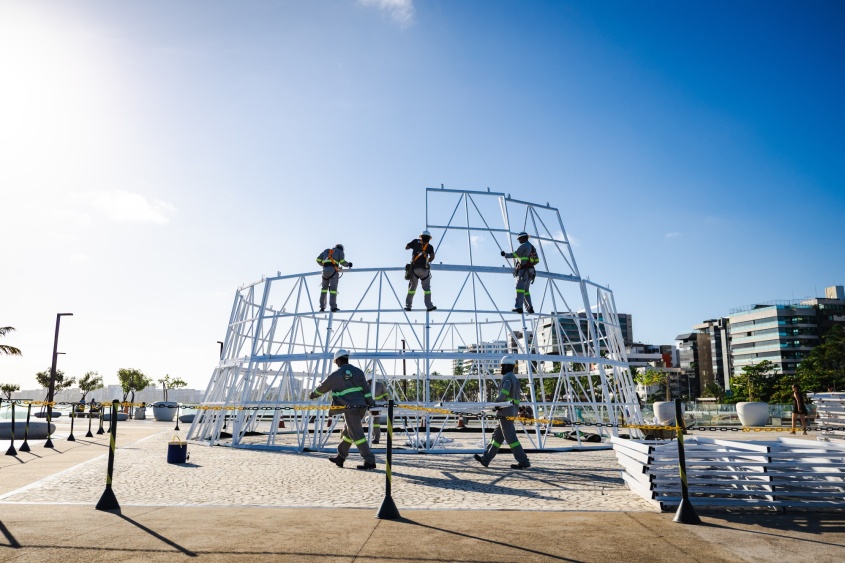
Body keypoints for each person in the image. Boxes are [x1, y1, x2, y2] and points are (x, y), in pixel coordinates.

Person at [309, 349, 377, 469]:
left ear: (339, 360)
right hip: (361, 407)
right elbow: (366, 391)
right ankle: (340, 457)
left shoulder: (336, 375)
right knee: (348, 432)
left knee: (357, 435)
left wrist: (313, 394)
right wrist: (371, 403)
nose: (336, 364)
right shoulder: (358, 372)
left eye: (336, 362)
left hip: (350, 408)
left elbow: (323, 387)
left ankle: (370, 460)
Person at [474, 356, 531, 469]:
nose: (501, 368)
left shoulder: (507, 378)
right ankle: (486, 459)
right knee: (497, 438)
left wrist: (496, 403)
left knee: (511, 439)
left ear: (505, 366)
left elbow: (504, 393)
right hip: (508, 411)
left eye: (501, 366)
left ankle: (524, 461)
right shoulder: (514, 378)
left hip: (506, 412)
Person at [501, 231, 539, 314]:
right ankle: (530, 308)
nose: (519, 241)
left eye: (520, 239)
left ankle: (519, 307)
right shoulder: (532, 247)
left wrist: (505, 255)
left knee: (520, 289)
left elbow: (515, 254)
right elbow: (537, 260)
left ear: (524, 238)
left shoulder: (524, 246)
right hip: (531, 272)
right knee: (526, 290)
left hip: (523, 271)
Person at [405, 230, 436, 311]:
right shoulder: (430, 247)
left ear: (421, 237)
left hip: (414, 270)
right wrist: (427, 260)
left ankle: (408, 306)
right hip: (424, 271)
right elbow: (432, 257)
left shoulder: (415, 241)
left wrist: (412, 246)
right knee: (427, 290)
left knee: (412, 289)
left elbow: (406, 247)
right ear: (429, 238)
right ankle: (429, 306)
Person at [316, 244, 352, 312]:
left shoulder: (326, 251)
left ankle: (322, 307)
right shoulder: (340, 252)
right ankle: (333, 307)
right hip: (333, 272)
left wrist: (324, 265)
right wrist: (349, 264)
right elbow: (342, 262)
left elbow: (318, 259)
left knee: (324, 290)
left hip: (324, 272)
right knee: (333, 290)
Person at [369, 378, 389, 444]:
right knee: (372, 421)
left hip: (377, 406)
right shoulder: (366, 385)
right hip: (370, 406)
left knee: (375, 421)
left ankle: (376, 438)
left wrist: (388, 402)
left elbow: (385, 395)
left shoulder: (380, 385)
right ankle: (373, 436)